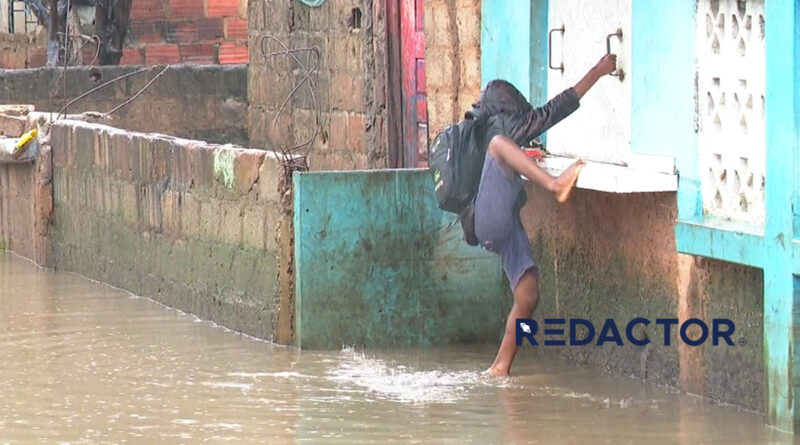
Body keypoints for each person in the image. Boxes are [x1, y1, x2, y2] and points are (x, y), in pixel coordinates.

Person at [467, 54, 618, 376]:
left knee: (528, 295)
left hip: (500, 221)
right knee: (499, 145)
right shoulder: (499, 133)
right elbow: (559, 106)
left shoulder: (488, 127)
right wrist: (599, 70)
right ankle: (554, 186)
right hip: (490, 215)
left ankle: (500, 367)